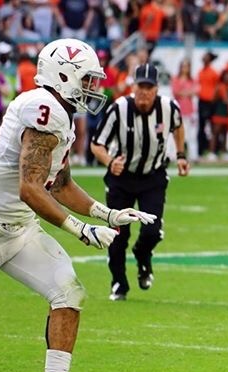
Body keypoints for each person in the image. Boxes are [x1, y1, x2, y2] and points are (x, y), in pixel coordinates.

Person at [0, 38, 156, 372]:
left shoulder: (60, 113)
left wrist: (107, 215)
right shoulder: (42, 109)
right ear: (65, 75)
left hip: (19, 227)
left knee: (68, 292)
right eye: (88, 80)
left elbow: (60, 184)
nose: (94, 88)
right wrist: (80, 230)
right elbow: (30, 187)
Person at [91, 63, 189, 301]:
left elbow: (178, 127)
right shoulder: (119, 109)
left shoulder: (168, 107)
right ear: (133, 87)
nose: (144, 92)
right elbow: (97, 143)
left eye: (149, 87)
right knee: (118, 234)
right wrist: (109, 162)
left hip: (153, 177)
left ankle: (143, 257)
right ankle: (119, 283)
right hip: (121, 178)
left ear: (156, 89)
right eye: (141, 86)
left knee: (152, 231)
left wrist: (180, 155)